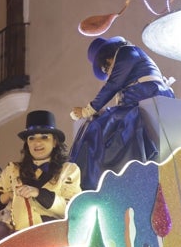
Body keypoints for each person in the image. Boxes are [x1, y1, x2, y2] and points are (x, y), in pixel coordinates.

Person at [69, 36, 175, 190]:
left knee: (97, 127)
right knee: (102, 124)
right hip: (140, 99)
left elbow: (112, 85)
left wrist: (88, 110)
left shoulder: (127, 52)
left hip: (146, 95)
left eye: (107, 66)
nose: (109, 71)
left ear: (110, 56)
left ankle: (97, 176)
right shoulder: (130, 59)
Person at [0, 110, 81, 233]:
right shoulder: (13, 171)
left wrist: (38, 193)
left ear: (55, 142)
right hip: (20, 240)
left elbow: (74, 208)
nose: (37, 142)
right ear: (27, 143)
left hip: (54, 239)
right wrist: (9, 195)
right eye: (31, 138)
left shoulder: (69, 170)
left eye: (44, 137)